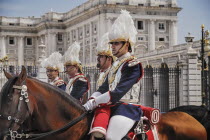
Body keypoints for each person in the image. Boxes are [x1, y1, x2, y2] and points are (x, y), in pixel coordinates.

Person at [84, 10, 143, 140]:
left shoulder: (132, 65)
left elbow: (118, 92)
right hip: (111, 106)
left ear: (126, 44)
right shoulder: (116, 65)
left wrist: (94, 103)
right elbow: (103, 88)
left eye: (116, 43)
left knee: (111, 137)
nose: (112, 47)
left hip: (127, 108)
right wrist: (90, 100)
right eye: (112, 44)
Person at [89, 33, 115, 139]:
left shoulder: (112, 72)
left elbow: (110, 93)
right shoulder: (102, 73)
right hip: (101, 104)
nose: (98, 58)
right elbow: (100, 90)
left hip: (111, 105)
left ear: (109, 59)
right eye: (98, 56)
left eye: (101, 56)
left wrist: (94, 101)